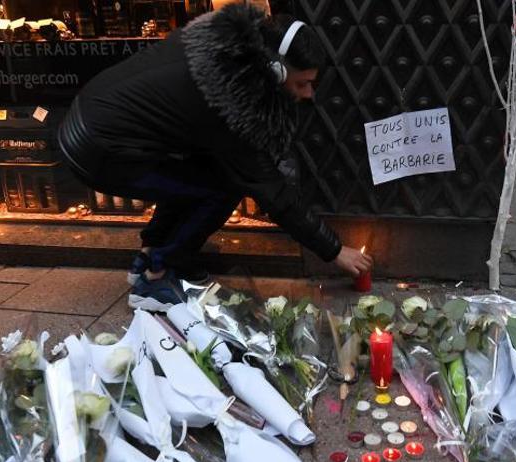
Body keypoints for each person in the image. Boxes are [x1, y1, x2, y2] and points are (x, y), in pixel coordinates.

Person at [58, 3, 372, 312]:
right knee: (222, 188)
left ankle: (150, 257)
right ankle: (156, 278)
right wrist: (333, 250)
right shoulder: (233, 97)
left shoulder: (223, 49)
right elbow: (272, 190)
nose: (308, 95)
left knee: (195, 175)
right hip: (101, 149)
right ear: (274, 70)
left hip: (91, 118)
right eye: (301, 83)